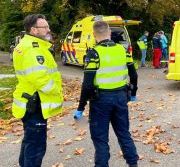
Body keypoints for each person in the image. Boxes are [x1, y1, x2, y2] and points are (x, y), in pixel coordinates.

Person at [73, 20, 139, 167]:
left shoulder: (94, 54)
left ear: (94, 35)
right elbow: (133, 75)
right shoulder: (122, 50)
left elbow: (87, 84)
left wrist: (81, 107)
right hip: (121, 98)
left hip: (100, 101)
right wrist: (133, 93)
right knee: (124, 134)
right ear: (110, 33)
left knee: (100, 139)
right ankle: (133, 164)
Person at [12, 14, 63, 167]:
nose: (48, 30)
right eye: (45, 27)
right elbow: (39, 78)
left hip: (29, 101)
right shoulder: (33, 49)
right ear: (34, 30)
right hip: (35, 103)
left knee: (30, 141)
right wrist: (56, 90)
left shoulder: (30, 45)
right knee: (36, 146)